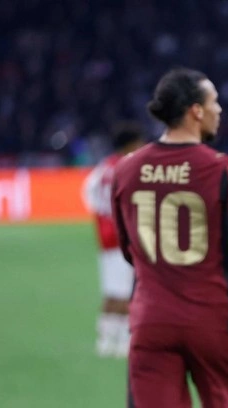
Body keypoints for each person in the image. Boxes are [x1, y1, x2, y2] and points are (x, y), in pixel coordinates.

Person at [111, 68, 228, 408]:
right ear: (196, 111)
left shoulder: (125, 170)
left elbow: (128, 249)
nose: (219, 110)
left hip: (151, 321)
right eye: (214, 102)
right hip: (211, 323)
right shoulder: (225, 169)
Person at [83, 122, 144, 358]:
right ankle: (121, 341)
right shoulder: (129, 167)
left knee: (112, 290)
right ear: (131, 144)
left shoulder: (103, 168)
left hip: (106, 237)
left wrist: (102, 215)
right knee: (127, 291)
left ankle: (105, 338)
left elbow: (89, 193)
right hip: (123, 237)